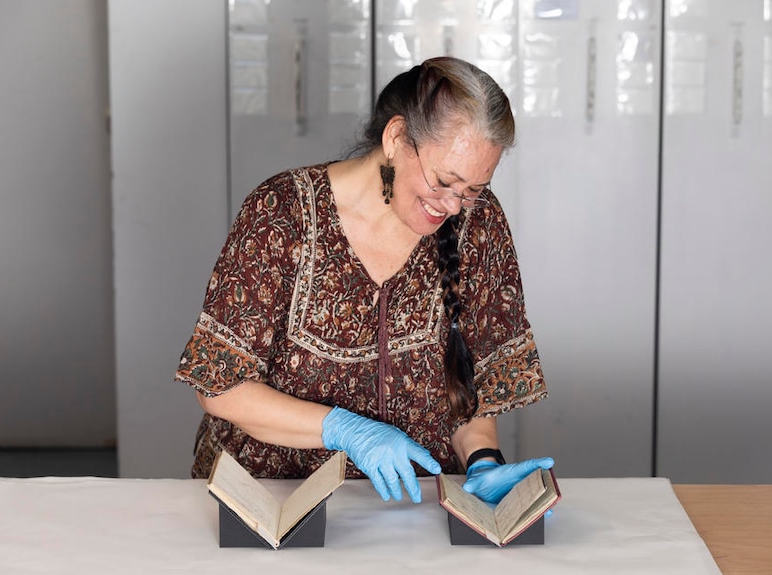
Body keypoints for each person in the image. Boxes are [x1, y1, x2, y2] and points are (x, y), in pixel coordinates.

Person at [174, 56, 553, 506]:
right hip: (270, 503)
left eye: (472, 189)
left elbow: (472, 389)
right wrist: (342, 428)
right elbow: (219, 386)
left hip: (412, 506)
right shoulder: (282, 214)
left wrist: (482, 459)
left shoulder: (480, 224)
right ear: (395, 137)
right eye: (444, 181)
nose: (454, 206)